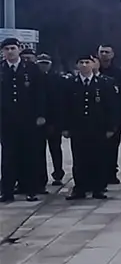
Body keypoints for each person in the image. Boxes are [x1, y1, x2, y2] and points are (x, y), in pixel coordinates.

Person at [63, 52, 121, 200]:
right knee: (79, 159)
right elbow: (64, 107)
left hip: (98, 128)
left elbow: (111, 107)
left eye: (87, 62)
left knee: (99, 158)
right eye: (81, 62)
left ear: (94, 64)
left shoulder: (104, 83)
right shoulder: (70, 84)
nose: (84, 65)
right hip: (78, 128)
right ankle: (80, 188)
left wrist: (111, 128)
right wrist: (65, 127)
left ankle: (98, 188)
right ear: (77, 65)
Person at [1, 38, 49, 202]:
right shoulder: (1, 69)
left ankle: (31, 189)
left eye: (12, 48)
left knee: (29, 155)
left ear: (19, 49)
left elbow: (40, 93)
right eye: (6, 49)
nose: (10, 51)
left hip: (28, 119)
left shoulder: (31, 69)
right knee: (8, 156)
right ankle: (6, 190)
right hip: (6, 120)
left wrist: (41, 114)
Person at [95, 44, 121, 185]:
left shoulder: (119, 74)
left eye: (107, 52)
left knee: (112, 146)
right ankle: (99, 173)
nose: (104, 54)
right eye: (102, 52)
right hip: (97, 115)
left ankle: (111, 172)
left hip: (114, 115)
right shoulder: (95, 71)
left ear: (112, 54)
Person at [34, 53, 66, 189]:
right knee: (38, 151)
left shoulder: (57, 79)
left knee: (55, 149)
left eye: (45, 63)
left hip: (54, 120)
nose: (43, 66)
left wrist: (57, 122)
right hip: (38, 121)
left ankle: (58, 173)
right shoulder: (34, 79)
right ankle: (41, 177)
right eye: (40, 63)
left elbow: (60, 102)